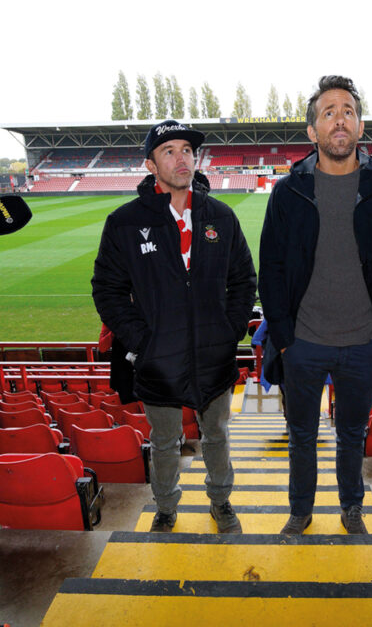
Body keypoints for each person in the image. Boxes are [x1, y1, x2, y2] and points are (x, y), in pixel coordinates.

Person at [258, 75, 372, 535]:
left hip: (366, 344)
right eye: (328, 112)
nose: (339, 119)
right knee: (302, 436)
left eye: (347, 110)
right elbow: (270, 269)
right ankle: (301, 510)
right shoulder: (288, 192)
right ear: (313, 132)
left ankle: (352, 506)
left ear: (360, 125)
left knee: (352, 435)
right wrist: (285, 339)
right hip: (303, 344)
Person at [92, 119, 257, 534]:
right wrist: (142, 341)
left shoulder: (221, 215)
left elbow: (243, 280)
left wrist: (230, 329)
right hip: (157, 360)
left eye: (187, 149)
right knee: (165, 441)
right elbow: (107, 290)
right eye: (169, 151)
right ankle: (165, 507)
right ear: (151, 164)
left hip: (213, 355)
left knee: (216, 436)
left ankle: (221, 501)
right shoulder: (124, 223)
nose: (181, 157)